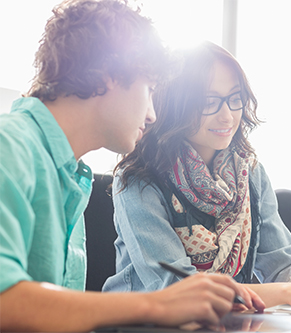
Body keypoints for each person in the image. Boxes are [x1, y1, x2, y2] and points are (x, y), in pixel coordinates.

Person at [0, 2, 264, 332]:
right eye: (150, 90)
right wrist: (157, 303)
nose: (153, 114)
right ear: (110, 73)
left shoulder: (66, 173)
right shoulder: (9, 146)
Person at [103, 41, 291, 316]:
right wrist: (288, 293)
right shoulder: (137, 181)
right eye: (209, 102)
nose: (227, 115)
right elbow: (180, 290)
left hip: (227, 322)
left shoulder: (249, 172)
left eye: (235, 99)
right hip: (141, 324)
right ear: (176, 103)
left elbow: (282, 269)